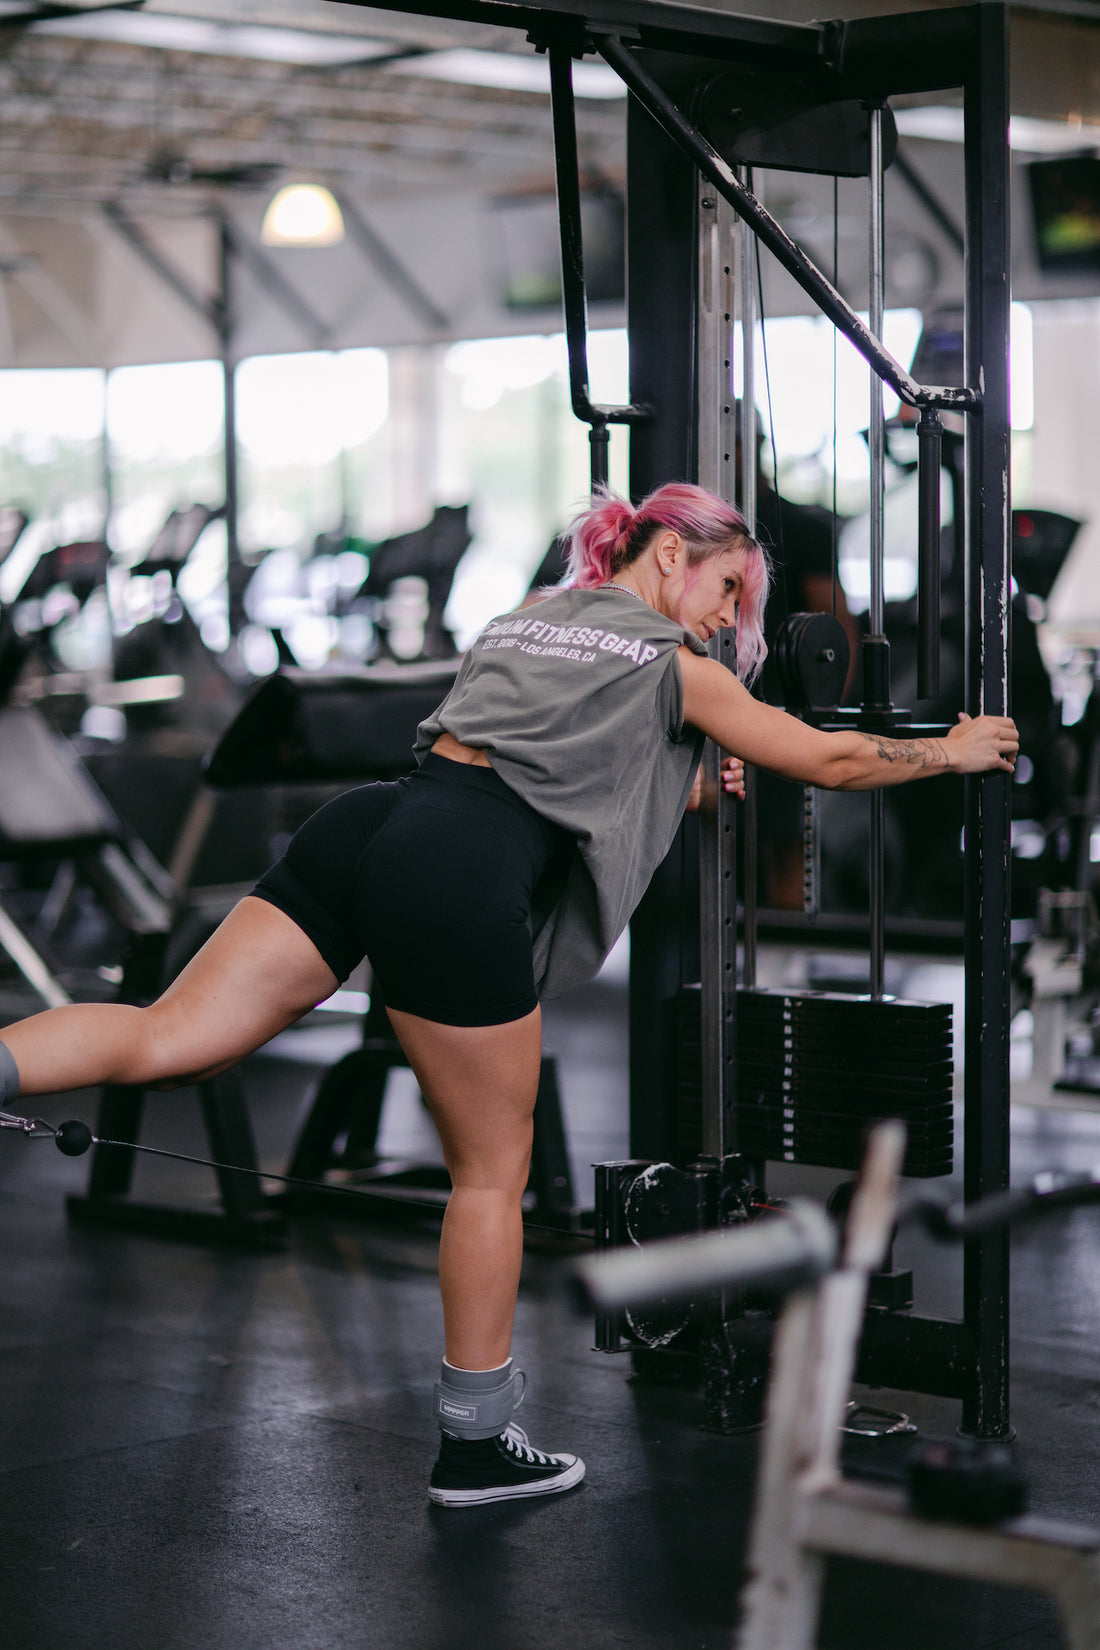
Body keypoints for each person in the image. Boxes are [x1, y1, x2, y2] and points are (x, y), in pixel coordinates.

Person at [0, 482, 1018, 1510]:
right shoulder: (674, 668)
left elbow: (553, 758)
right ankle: (475, 1447)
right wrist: (952, 748)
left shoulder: (530, 615)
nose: (726, 617)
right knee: (491, 1175)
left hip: (368, 827)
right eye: (724, 588)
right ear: (668, 554)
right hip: (459, 868)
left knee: (168, 1032)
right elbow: (827, 759)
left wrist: (688, 780)